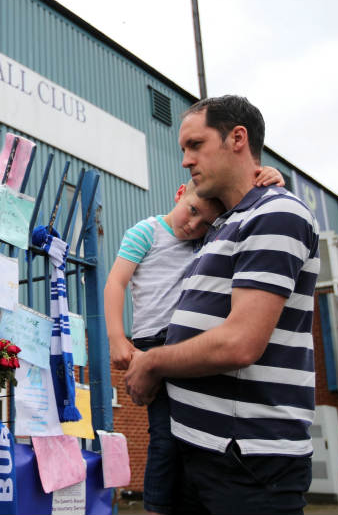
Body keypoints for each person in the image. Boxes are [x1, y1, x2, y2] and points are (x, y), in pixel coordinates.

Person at [124, 95, 319, 514]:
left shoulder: (277, 214)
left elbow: (240, 344)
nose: (185, 160)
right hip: (204, 451)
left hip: (248, 462)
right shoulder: (222, 226)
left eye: (195, 145)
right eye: (183, 149)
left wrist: (153, 362)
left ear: (237, 138)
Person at [105, 169, 282, 515]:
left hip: (189, 344)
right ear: (180, 193)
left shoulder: (205, 242)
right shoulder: (147, 231)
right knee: (164, 436)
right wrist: (116, 337)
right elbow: (116, 282)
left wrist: (270, 177)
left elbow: (244, 208)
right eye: (193, 211)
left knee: (195, 433)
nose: (194, 226)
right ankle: (156, 506)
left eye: (205, 223)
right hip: (152, 344)